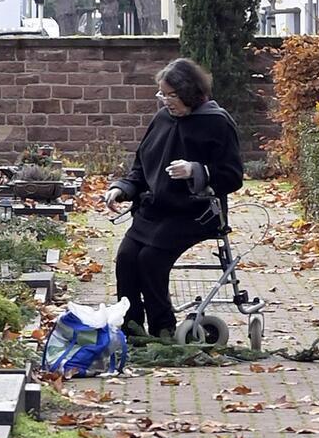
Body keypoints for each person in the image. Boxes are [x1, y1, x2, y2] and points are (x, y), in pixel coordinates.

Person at [103, 57, 245, 339]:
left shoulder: (216, 122)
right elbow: (141, 168)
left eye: (172, 95)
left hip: (195, 213)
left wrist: (196, 170)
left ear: (190, 93)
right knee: (127, 258)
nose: (167, 101)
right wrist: (121, 189)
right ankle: (131, 329)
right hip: (155, 210)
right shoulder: (162, 119)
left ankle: (162, 329)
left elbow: (233, 175)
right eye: (163, 94)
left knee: (151, 259)